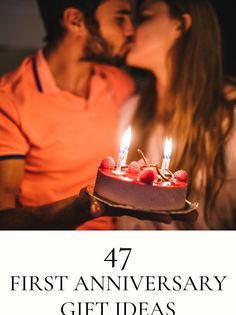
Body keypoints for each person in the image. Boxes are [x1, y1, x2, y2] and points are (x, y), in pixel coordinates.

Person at [0, 0, 136, 229]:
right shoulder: (10, 100)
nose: (131, 29)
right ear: (75, 20)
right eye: (119, 18)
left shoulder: (121, 84)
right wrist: (79, 210)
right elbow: (4, 217)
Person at [118, 0, 236, 230]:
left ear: (180, 25)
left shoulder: (230, 117)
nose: (129, 29)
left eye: (143, 17)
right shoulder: (131, 111)